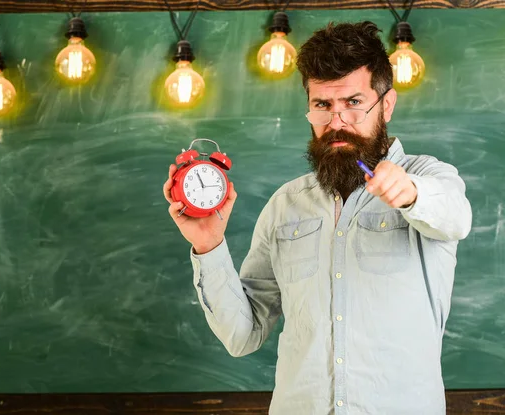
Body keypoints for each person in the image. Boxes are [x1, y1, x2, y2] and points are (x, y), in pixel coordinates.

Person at [163, 21, 472, 415]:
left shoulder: (430, 178)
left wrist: (410, 193)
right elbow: (243, 336)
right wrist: (208, 245)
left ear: (386, 104)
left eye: (354, 103)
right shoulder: (285, 204)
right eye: (323, 106)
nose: (336, 122)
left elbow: (455, 217)